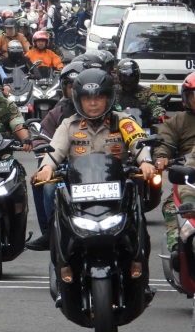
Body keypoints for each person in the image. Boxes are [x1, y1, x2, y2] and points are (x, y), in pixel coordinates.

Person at [31, 69, 155, 295]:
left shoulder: (124, 122)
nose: (93, 104)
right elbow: (55, 151)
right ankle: (63, 274)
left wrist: (145, 162)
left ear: (109, 98)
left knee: (139, 227)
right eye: (88, 98)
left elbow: (139, 144)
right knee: (60, 225)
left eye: (99, 97)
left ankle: (140, 276)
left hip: (118, 196)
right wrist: (47, 167)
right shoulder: (69, 125)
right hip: (79, 196)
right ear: (78, 100)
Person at [26, 61, 86, 250]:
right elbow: (42, 135)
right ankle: (49, 233)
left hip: (98, 168)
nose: (93, 104)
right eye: (70, 87)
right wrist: (43, 152)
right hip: (63, 167)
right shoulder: (59, 112)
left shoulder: (107, 110)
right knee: (43, 185)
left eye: (78, 87)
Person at [155, 74, 195, 254]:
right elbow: (165, 142)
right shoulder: (177, 121)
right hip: (187, 176)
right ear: (187, 98)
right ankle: (177, 248)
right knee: (171, 207)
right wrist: (162, 156)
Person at [114, 59, 166, 127]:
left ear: (137, 76)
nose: (128, 80)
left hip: (142, 128)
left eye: (132, 77)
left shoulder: (146, 92)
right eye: (125, 77)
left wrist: (159, 114)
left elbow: (155, 106)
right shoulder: (112, 92)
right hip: (119, 127)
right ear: (119, 77)